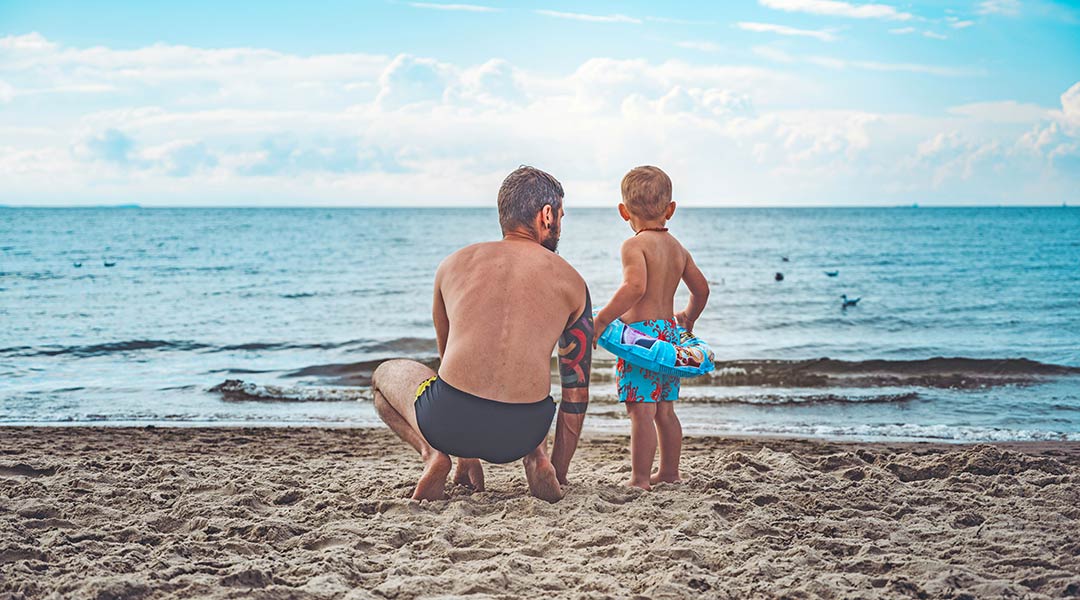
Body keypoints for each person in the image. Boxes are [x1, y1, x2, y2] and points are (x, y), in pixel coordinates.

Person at [371, 166, 593, 502]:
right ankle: (538, 459)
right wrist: (559, 473)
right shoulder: (573, 283)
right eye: (560, 217)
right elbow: (576, 393)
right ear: (546, 216)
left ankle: (434, 455)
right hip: (522, 432)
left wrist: (465, 454)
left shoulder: (453, 264)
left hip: (450, 422)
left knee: (383, 376)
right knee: (534, 379)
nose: (560, 227)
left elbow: (449, 363)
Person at [593, 166, 710, 490]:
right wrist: (687, 317)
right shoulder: (678, 249)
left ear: (623, 212)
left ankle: (640, 478)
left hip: (641, 340)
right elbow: (701, 290)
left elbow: (634, 287)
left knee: (641, 410)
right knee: (665, 409)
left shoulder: (634, 245)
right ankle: (670, 472)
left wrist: (602, 320)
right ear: (670, 209)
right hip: (669, 338)